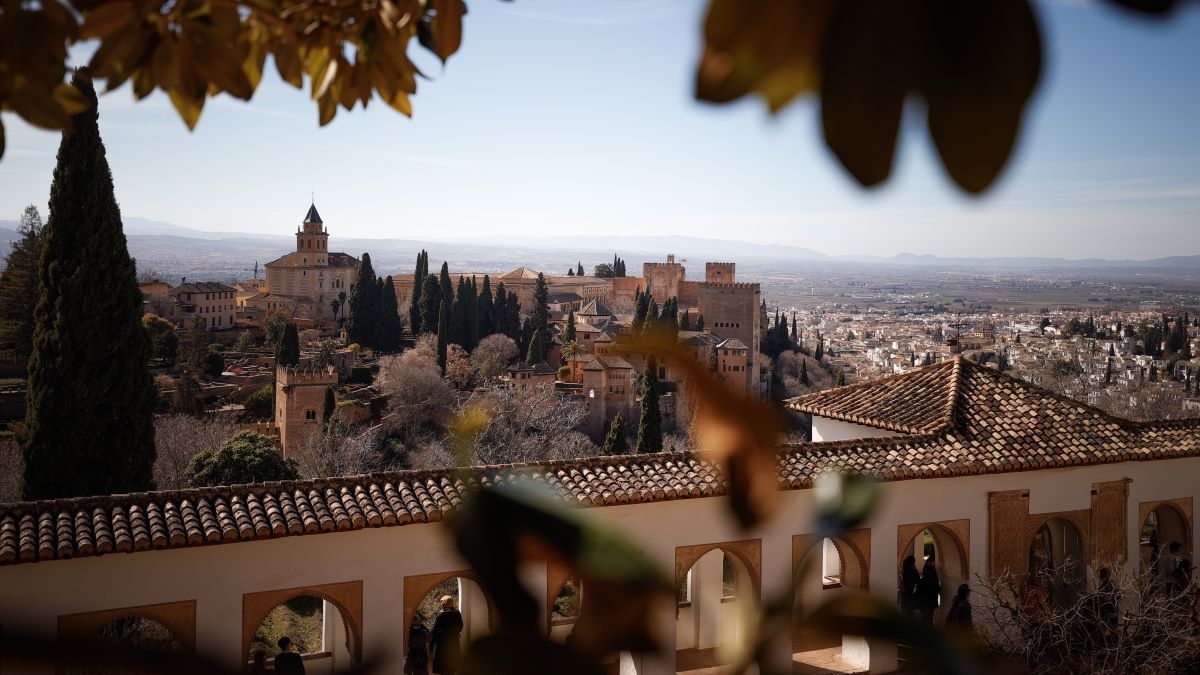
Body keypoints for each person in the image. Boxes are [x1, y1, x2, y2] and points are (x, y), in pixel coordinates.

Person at [430, 595, 464, 675]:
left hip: (442, 643)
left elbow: (435, 630)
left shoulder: (441, 615)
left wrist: (431, 640)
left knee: (443, 666)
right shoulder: (456, 613)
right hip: (454, 642)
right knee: (452, 665)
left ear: (444, 604)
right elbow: (461, 626)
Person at [915, 553, 941, 624]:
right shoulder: (934, 581)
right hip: (931, 603)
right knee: (930, 617)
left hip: (923, 604)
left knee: (924, 618)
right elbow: (938, 590)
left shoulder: (921, 581)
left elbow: (917, 592)